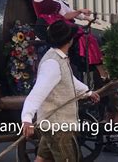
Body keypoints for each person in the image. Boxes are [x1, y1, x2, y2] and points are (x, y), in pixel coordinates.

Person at [21, 20, 100, 162]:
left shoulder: (57, 57)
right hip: (58, 128)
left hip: (53, 124)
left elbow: (69, 81)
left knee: (42, 159)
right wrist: (27, 118)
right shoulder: (53, 63)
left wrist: (87, 92)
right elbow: (37, 93)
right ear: (69, 40)